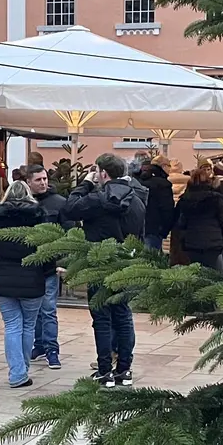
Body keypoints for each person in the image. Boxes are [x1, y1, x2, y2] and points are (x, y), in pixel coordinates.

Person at [62, 153, 147, 389]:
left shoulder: (97, 198)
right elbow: (139, 235)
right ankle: (125, 370)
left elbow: (69, 209)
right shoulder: (138, 199)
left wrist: (86, 183)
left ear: (103, 173)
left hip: (98, 264)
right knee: (123, 315)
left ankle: (104, 371)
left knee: (101, 318)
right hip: (124, 263)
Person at [0, 182, 54, 389]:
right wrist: (48, 273)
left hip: (5, 280)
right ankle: (20, 370)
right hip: (32, 280)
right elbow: (47, 251)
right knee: (28, 325)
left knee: (12, 326)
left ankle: (18, 371)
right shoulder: (39, 217)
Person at [25, 166, 66, 370]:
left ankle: (51, 348)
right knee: (33, 310)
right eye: (38, 179)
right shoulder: (25, 204)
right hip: (29, 265)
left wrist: (62, 260)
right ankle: (39, 344)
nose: (43, 182)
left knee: (48, 309)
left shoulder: (58, 203)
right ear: (29, 182)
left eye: (45, 178)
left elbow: (69, 232)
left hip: (49, 264)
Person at [173, 165, 223, 270]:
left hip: (192, 243)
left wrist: (183, 241)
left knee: (195, 273)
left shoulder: (185, 200)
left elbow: (181, 223)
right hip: (213, 243)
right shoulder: (216, 199)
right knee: (212, 274)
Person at [138, 158, 176, 254]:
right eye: (168, 166)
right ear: (162, 166)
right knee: (152, 259)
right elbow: (167, 209)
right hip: (155, 228)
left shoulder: (141, 181)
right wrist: (165, 230)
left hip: (142, 226)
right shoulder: (163, 185)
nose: (170, 169)